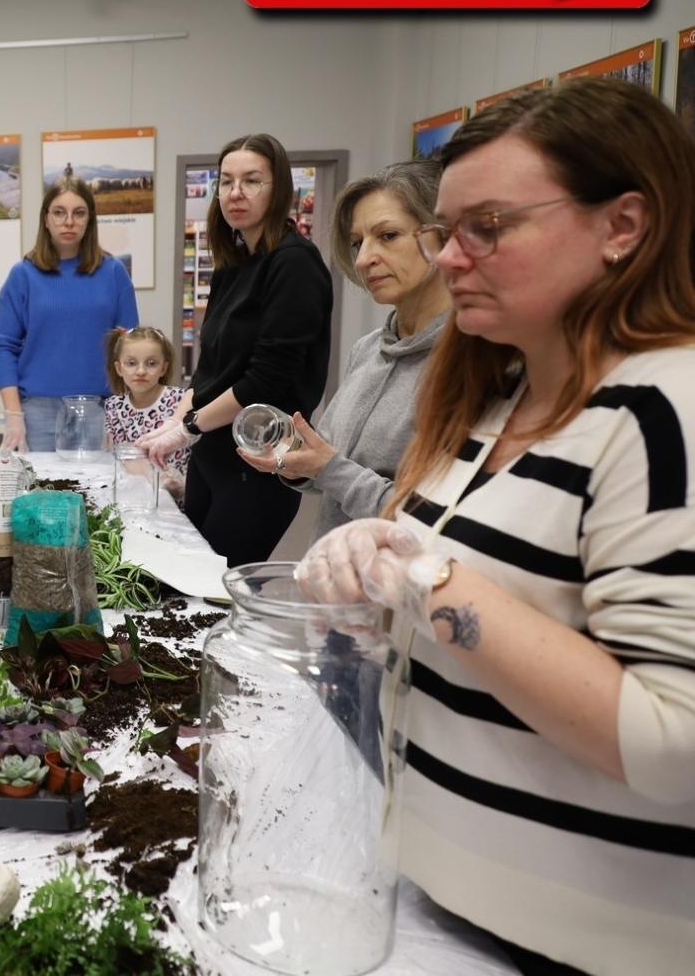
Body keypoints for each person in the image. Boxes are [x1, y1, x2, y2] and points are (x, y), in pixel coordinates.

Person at [296, 78, 695, 975]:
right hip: (439, 910)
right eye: (446, 231)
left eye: (490, 227)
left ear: (621, 224)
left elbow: (678, 743)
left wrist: (427, 582)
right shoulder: (491, 400)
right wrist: (364, 564)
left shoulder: (667, 412)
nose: (451, 258)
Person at [139, 134, 332, 565]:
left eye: (252, 181)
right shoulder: (233, 262)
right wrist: (177, 417)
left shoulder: (294, 263)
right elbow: (212, 367)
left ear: (279, 188)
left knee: (218, 592)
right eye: (226, 182)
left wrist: (189, 426)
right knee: (190, 575)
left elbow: (267, 378)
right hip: (214, 457)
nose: (235, 193)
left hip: (258, 463)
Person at [236, 159, 451, 541]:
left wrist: (328, 467)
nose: (365, 258)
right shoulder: (368, 350)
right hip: (335, 585)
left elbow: (438, 524)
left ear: (440, 239)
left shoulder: (466, 367)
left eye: (387, 236)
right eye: (357, 243)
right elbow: (332, 468)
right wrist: (299, 462)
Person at [0, 176, 139, 451]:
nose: (68, 221)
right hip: (37, 413)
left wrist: (122, 414)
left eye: (78, 213)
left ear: (90, 220)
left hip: (100, 410)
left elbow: (130, 349)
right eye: (59, 212)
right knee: (41, 492)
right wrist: (14, 417)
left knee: (99, 493)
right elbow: (4, 349)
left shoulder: (114, 273)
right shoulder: (22, 276)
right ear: (46, 219)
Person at [103, 324, 188, 501]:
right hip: (136, 497)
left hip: (177, 501)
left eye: (151, 363)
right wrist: (152, 478)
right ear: (119, 368)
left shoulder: (180, 401)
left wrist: (173, 482)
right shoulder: (114, 407)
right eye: (131, 363)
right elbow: (123, 456)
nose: (141, 371)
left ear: (163, 368)